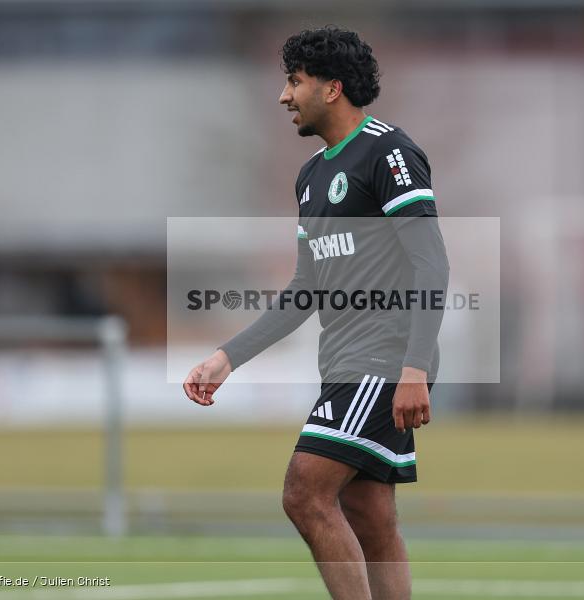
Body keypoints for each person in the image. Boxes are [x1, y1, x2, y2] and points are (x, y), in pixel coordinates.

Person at [184, 27, 449, 600]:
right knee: (368, 512)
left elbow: (431, 265)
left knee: (304, 492)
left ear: (331, 89)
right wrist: (227, 357)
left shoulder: (388, 152)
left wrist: (414, 368)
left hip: (384, 359)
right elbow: (306, 289)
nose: (284, 96)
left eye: (294, 81)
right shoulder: (310, 176)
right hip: (348, 362)